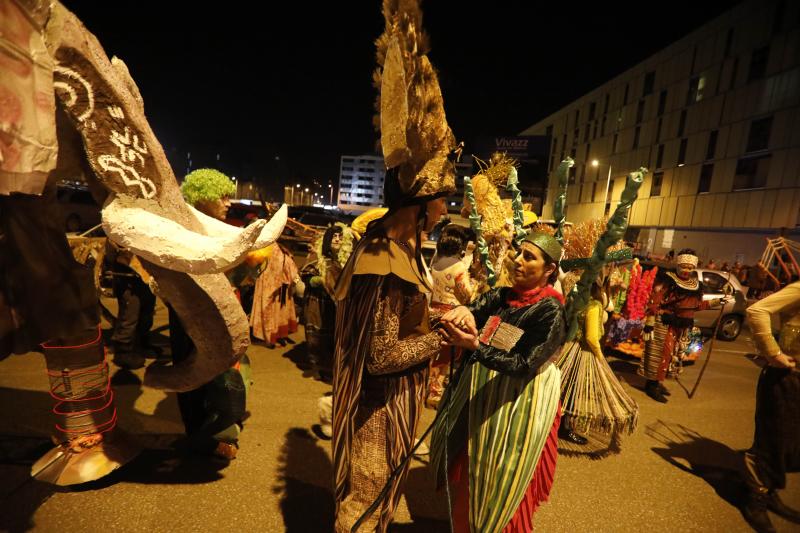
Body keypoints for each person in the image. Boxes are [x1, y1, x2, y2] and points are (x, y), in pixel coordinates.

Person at [430, 232, 566, 533]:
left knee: (501, 483)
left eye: (529, 257)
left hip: (517, 407)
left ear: (550, 269)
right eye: (519, 252)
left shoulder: (551, 311)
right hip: (481, 397)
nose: (518, 260)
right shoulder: (503, 296)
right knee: (470, 475)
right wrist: (464, 310)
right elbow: (477, 308)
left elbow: (524, 364)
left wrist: (475, 347)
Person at [170, 168, 249, 459]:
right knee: (192, 371)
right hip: (188, 312)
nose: (228, 203)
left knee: (225, 373)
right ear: (202, 198)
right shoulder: (183, 230)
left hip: (220, 311)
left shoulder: (220, 228)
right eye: (222, 197)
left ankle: (220, 430)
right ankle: (202, 436)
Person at [741, 281, 800, 532]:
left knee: (790, 444)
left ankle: (770, 491)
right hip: (786, 378)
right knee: (771, 442)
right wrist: (772, 352)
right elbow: (757, 311)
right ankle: (756, 500)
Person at [556, 277, 638, 447]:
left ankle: (555, 422)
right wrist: (600, 356)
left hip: (568, 347)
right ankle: (564, 428)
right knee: (571, 391)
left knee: (561, 387)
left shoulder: (575, 300)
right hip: (583, 350)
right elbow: (592, 337)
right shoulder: (594, 306)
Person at [639, 249, 726, 402]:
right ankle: (651, 385)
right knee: (662, 355)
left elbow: (697, 305)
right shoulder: (668, 280)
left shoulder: (694, 285)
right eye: (684, 266)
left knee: (672, 356)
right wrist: (650, 322)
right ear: (678, 265)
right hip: (664, 323)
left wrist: (717, 301)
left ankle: (657, 382)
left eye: (690, 267)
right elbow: (655, 300)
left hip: (681, 327)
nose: (686, 270)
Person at [427, 224, 475, 407]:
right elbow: (467, 294)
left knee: (435, 353)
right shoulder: (459, 268)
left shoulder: (436, 264)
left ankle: (432, 389)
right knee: (446, 355)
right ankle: (436, 393)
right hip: (451, 314)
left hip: (433, 311)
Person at [105, 240, 156, 370]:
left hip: (146, 276)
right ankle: (123, 354)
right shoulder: (117, 232)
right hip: (128, 278)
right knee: (129, 316)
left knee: (146, 314)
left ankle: (141, 346)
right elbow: (112, 253)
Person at [250, 242, 300, 349]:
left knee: (277, 312)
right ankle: (270, 339)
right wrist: (294, 279)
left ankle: (277, 335)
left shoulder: (276, 247)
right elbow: (287, 269)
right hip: (273, 284)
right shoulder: (275, 249)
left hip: (273, 284)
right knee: (271, 311)